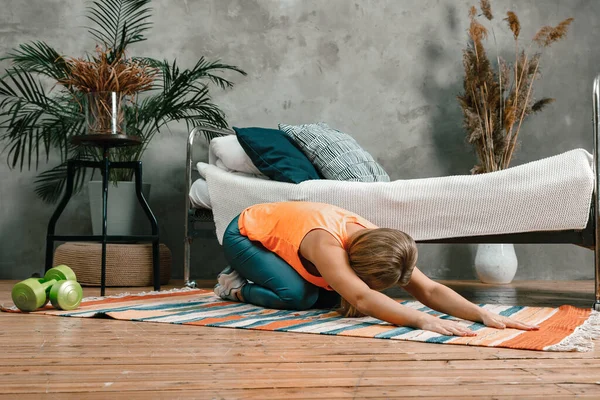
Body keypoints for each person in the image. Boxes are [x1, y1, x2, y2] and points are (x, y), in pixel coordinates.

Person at [214, 201, 539, 337]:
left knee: (327, 299)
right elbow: (363, 297)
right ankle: (234, 285)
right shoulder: (326, 245)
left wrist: (480, 314)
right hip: (245, 235)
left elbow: (429, 289)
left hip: (287, 236)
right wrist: (422, 319)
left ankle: (267, 275)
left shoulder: (380, 243)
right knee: (298, 296)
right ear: (354, 266)